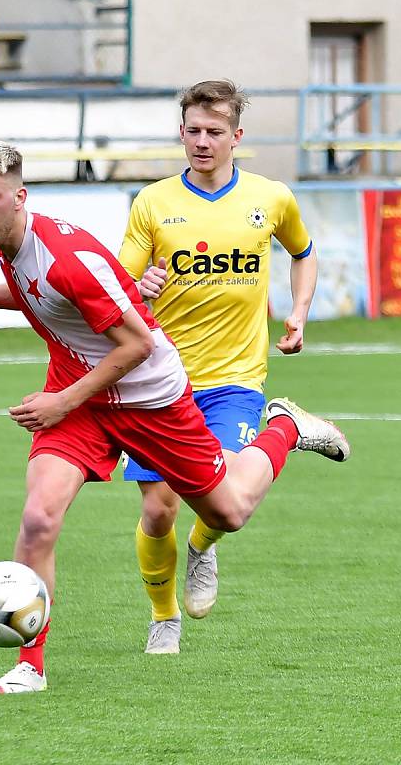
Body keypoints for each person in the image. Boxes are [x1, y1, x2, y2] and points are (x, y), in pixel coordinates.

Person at [0, 138, 349, 695]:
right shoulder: (10, 243)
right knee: (39, 519)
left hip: (149, 398)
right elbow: (38, 294)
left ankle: (285, 426)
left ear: (19, 197)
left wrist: (63, 401)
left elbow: (138, 344)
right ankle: (31, 666)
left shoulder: (66, 255)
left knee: (229, 511)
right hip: (82, 396)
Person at [120, 79, 318, 654]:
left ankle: (203, 549)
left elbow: (303, 253)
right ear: (180, 132)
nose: (202, 141)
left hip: (235, 378)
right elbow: (116, 288)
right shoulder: (153, 203)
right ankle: (163, 618)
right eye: (193, 131)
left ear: (237, 136)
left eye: (214, 132)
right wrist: (142, 285)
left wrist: (299, 314)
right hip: (158, 379)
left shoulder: (271, 198)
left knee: (226, 507)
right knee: (158, 511)